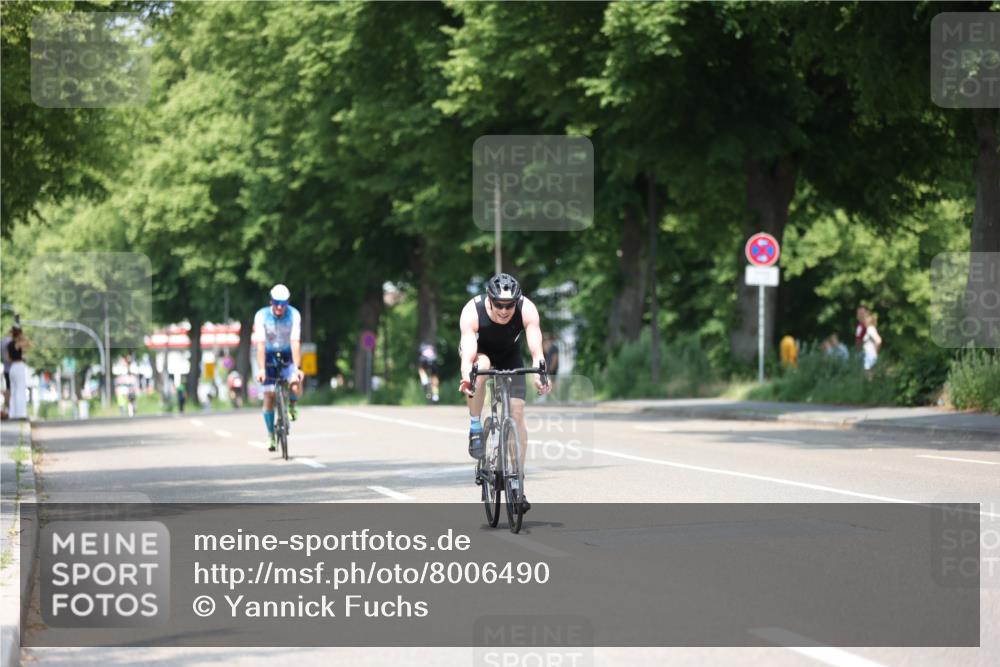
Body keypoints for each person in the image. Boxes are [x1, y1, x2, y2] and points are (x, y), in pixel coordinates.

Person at [458, 273, 551, 513]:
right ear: (490, 300)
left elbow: (536, 350)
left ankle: (517, 481)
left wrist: (541, 374)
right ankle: (476, 426)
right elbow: (468, 354)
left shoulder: (527, 309)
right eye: (498, 305)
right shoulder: (472, 311)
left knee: (517, 413)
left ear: (516, 302)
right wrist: (469, 377)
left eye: (509, 305)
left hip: (510, 354)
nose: (503, 310)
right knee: (481, 369)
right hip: (481, 354)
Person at [253, 284, 304, 452]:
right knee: (269, 396)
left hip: (288, 353)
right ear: (271, 301)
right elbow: (260, 344)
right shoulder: (261, 316)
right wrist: (261, 369)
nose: (280, 307)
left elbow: (295, 342)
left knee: (295, 384)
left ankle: (291, 405)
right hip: (268, 355)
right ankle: (271, 435)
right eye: (276, 303)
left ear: (288, 303)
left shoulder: (294, 315)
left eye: (283, 303)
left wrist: (297, 368)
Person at [7, 327, 31, 420]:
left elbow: (8, 358)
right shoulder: (19, 343)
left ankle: (13, 413)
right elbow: (29, 345)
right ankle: (21, 413)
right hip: (19, 366)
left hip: (12, 367)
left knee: (13, 391)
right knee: (20, 390)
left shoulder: (9, 344)